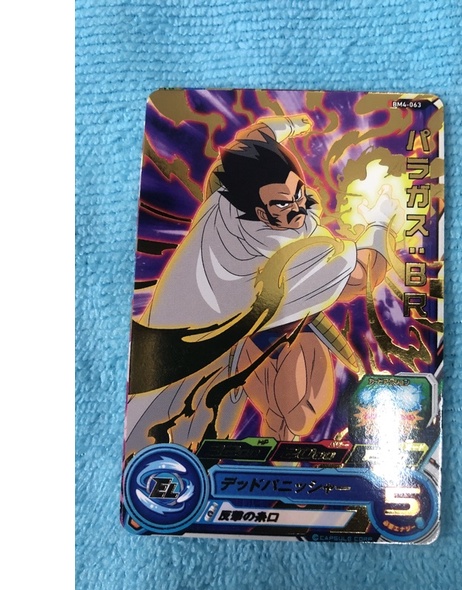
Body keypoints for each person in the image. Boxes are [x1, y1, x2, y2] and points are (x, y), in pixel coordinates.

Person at [125, 116, 396, 452]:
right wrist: (380, 222)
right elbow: (365, 274)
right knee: (295, 410)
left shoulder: (221, 202)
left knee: (291, 413)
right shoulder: (290, 255)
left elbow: (248, 144)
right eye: (281, 203)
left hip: (220, 342)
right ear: (257, 209)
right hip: (202, 362)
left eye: (298, 193)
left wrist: (293, 124)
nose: (297, 206)